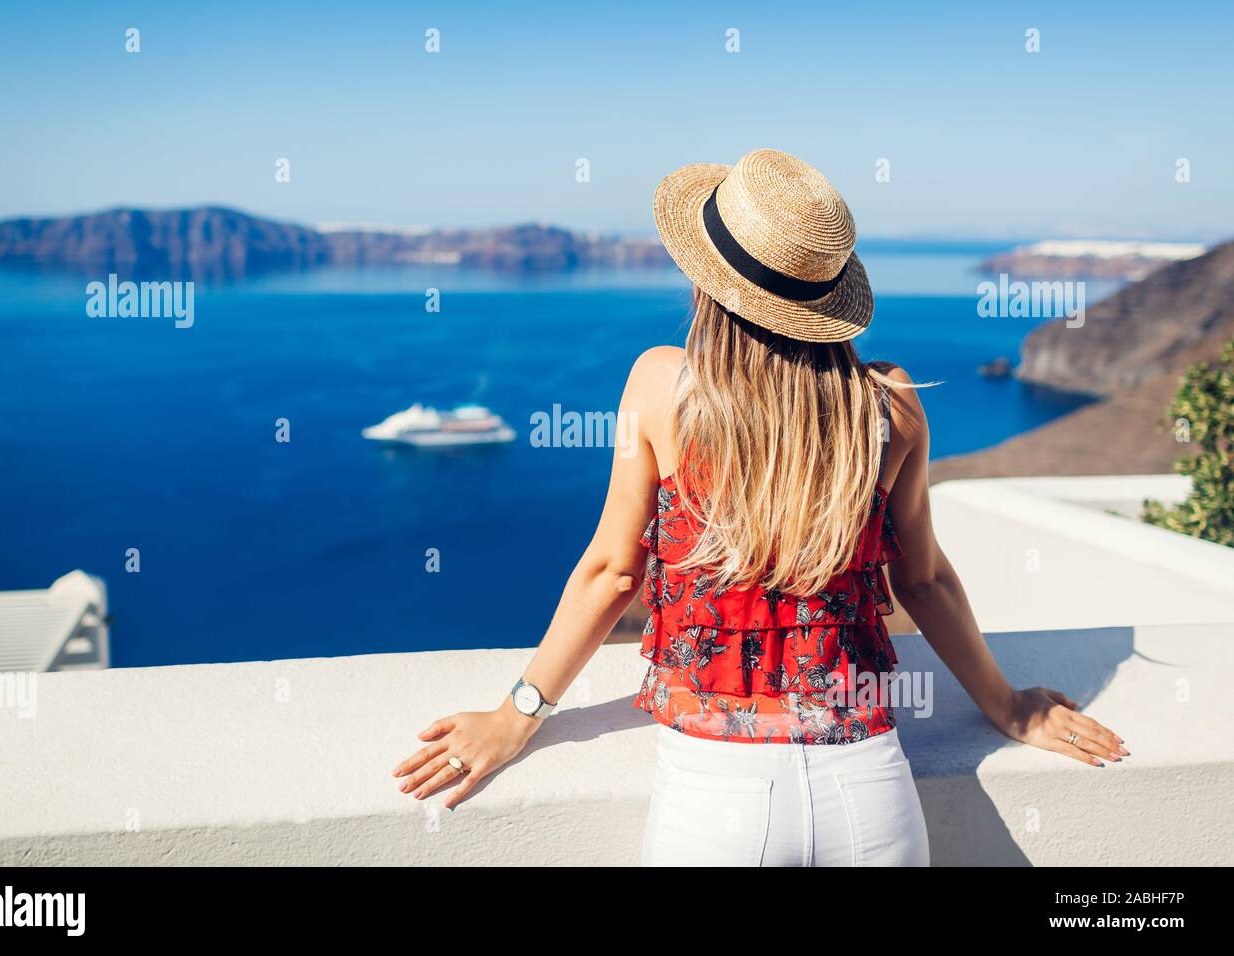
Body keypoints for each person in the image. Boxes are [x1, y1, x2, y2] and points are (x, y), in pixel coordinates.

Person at [392, 148, 1126, 866]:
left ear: (710, 287)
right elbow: (924, 583)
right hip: (870, 798)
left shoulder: (660, 388)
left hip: (715, 804)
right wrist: (1009, 707)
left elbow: (614, 574)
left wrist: (516, 715)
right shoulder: (891, 403)